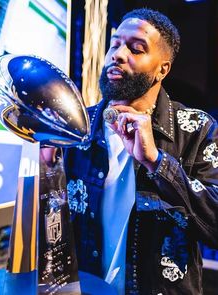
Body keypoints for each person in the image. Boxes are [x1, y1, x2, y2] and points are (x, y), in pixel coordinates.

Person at [62, 8, 218, 295]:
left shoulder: (197, 129)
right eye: (115, 44)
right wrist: (45, 172)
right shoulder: (76, 126)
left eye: (136, 48)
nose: (118, 55)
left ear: (163, 69)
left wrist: (157, 163)